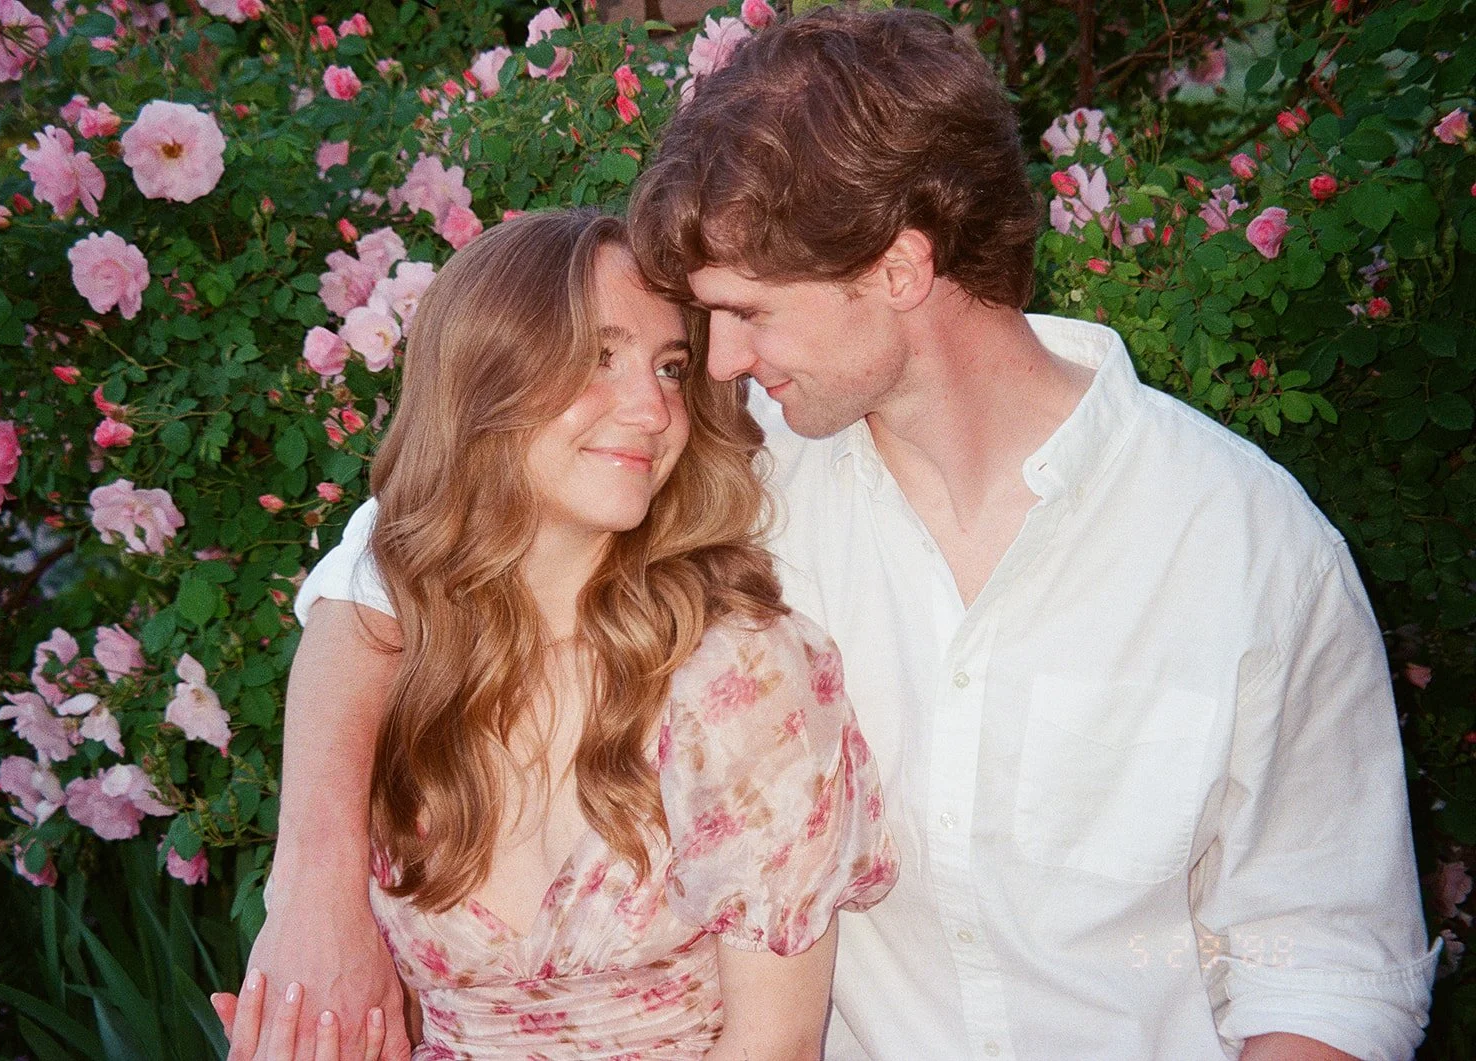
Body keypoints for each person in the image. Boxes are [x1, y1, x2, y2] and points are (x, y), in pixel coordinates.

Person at [227, 7, 1436, 1060]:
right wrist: (317, 883)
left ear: (900, 268)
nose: (721, 360)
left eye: (749, 311)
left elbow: (1331, 965)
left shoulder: (1245, 544)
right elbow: (394, 556)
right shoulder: (744, 465)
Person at [212, 208, 896, 1060]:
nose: (652, 409)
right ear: (482, 378)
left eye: (670, 367)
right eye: (600, 357)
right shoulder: (400, 654)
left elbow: (776, 1043)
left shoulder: (731, 673)